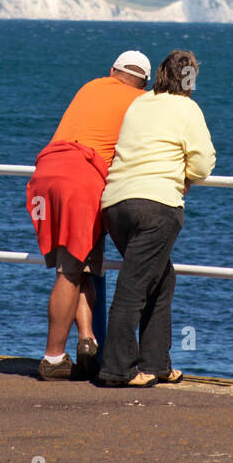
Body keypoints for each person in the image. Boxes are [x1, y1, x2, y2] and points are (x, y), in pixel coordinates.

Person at [26, 51, 152, 381]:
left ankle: (87, 341)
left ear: (112, 71)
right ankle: (53, 359)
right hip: (83, 179)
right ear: (144, 82)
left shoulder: (91, 85)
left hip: (46, 171)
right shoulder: (142, 102)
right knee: (69, 272)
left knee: (80, 266)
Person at [97, 49, 216, 388]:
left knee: (161, 279)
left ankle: (157, 363)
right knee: (134, 287)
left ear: (161, 74)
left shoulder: (140, 104)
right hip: (157, 207)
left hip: (116, 204)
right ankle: (118, 369)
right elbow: (203, 165)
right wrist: (187, 174)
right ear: (190, 80)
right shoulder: (187, 108)